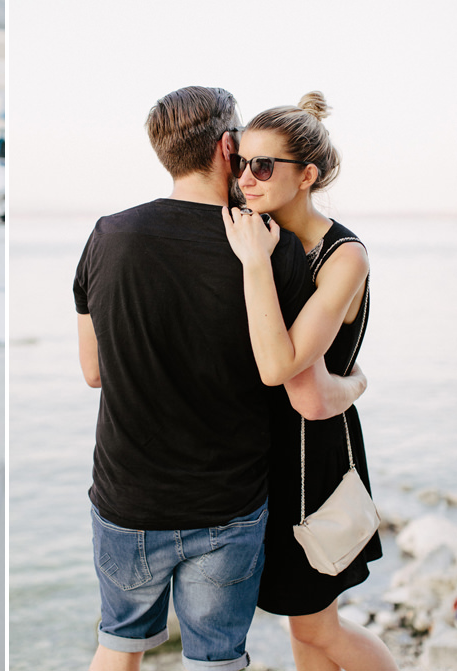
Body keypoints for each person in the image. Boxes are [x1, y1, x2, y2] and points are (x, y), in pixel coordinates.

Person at [73, 86, 367, 671]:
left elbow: (93, 372)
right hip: (228, 501)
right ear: (227, 148)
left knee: (119, 643)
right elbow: (284, 370)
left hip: (129, 496)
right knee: (217, 658)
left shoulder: (108, 235)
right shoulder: (271, 247)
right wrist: (359, 381)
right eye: (248, 159)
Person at [222, 92, 398, 670]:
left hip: (310, 458)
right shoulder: (258, 233)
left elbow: (282, 367)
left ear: (309, 175)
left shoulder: (343, 256)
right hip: (266, 452)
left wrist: (253, 265)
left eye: (264, 166)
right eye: (241, 162)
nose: (246, 178)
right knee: (305, 631)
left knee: (320, 630)